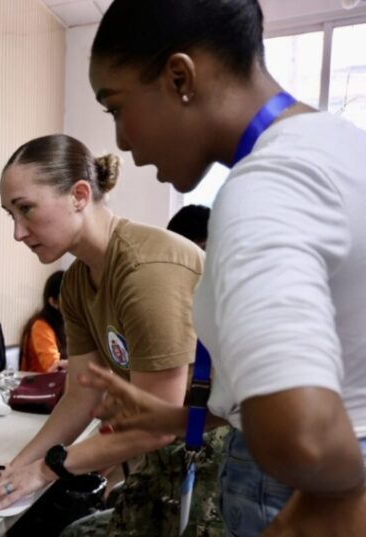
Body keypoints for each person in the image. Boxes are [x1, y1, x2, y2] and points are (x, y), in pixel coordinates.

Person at [82, 0, 366, 535]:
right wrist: (178, 417)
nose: (121, 141)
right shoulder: (339, 144)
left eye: (116, 108)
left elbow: (304, 438)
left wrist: (339, 495)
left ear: (180, 77)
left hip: (295, 486)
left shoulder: (266, 188)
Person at [0, 134, 222, 535]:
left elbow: (157, 423)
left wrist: (48, 468)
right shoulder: (76, 282)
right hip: (173, 452)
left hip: (228, 457)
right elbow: (81, 395)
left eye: (26, 209)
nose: (18, 232)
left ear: (78, 195)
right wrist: (15, 470)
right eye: (11, 215)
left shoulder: (145, 270)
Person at [19, 270, 67, 373]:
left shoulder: (71, 324)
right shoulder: (40, 326)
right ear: (53, 302)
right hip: (40, 382)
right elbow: (54, 367)